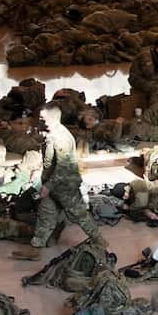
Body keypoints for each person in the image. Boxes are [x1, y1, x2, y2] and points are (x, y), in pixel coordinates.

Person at [17, 103, 102, 260]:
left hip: (65, 185)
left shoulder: (62, 138)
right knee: (45, 214)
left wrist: (48, 186)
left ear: (53, 118)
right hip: (52, 182)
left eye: (43, 118)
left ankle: (99, 241)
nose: (41, 120)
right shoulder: (51, 134)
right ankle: (35, 249)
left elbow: (63, 167)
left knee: (79, 215)